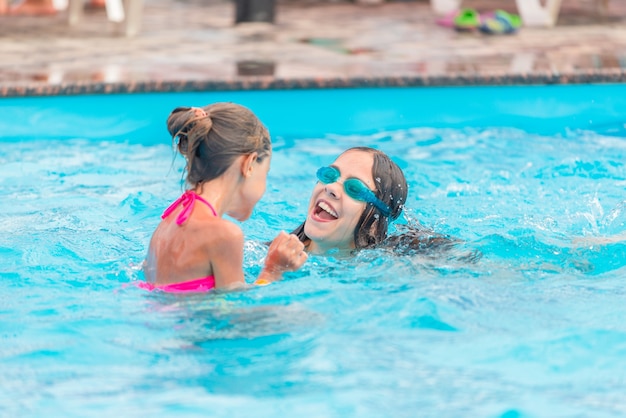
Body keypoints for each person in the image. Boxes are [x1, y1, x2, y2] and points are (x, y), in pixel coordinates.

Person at [141, 103, 307, 293]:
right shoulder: (224, 234)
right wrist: (273, 271)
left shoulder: (171, 218)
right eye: (265, 173)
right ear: (250, 164)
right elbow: (237, 315)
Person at [290, 146, 456, 256]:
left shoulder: (386, 271)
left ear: (375, 224)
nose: (331, 188)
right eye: (329, 175)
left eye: (354, 188)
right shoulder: (267, 255)